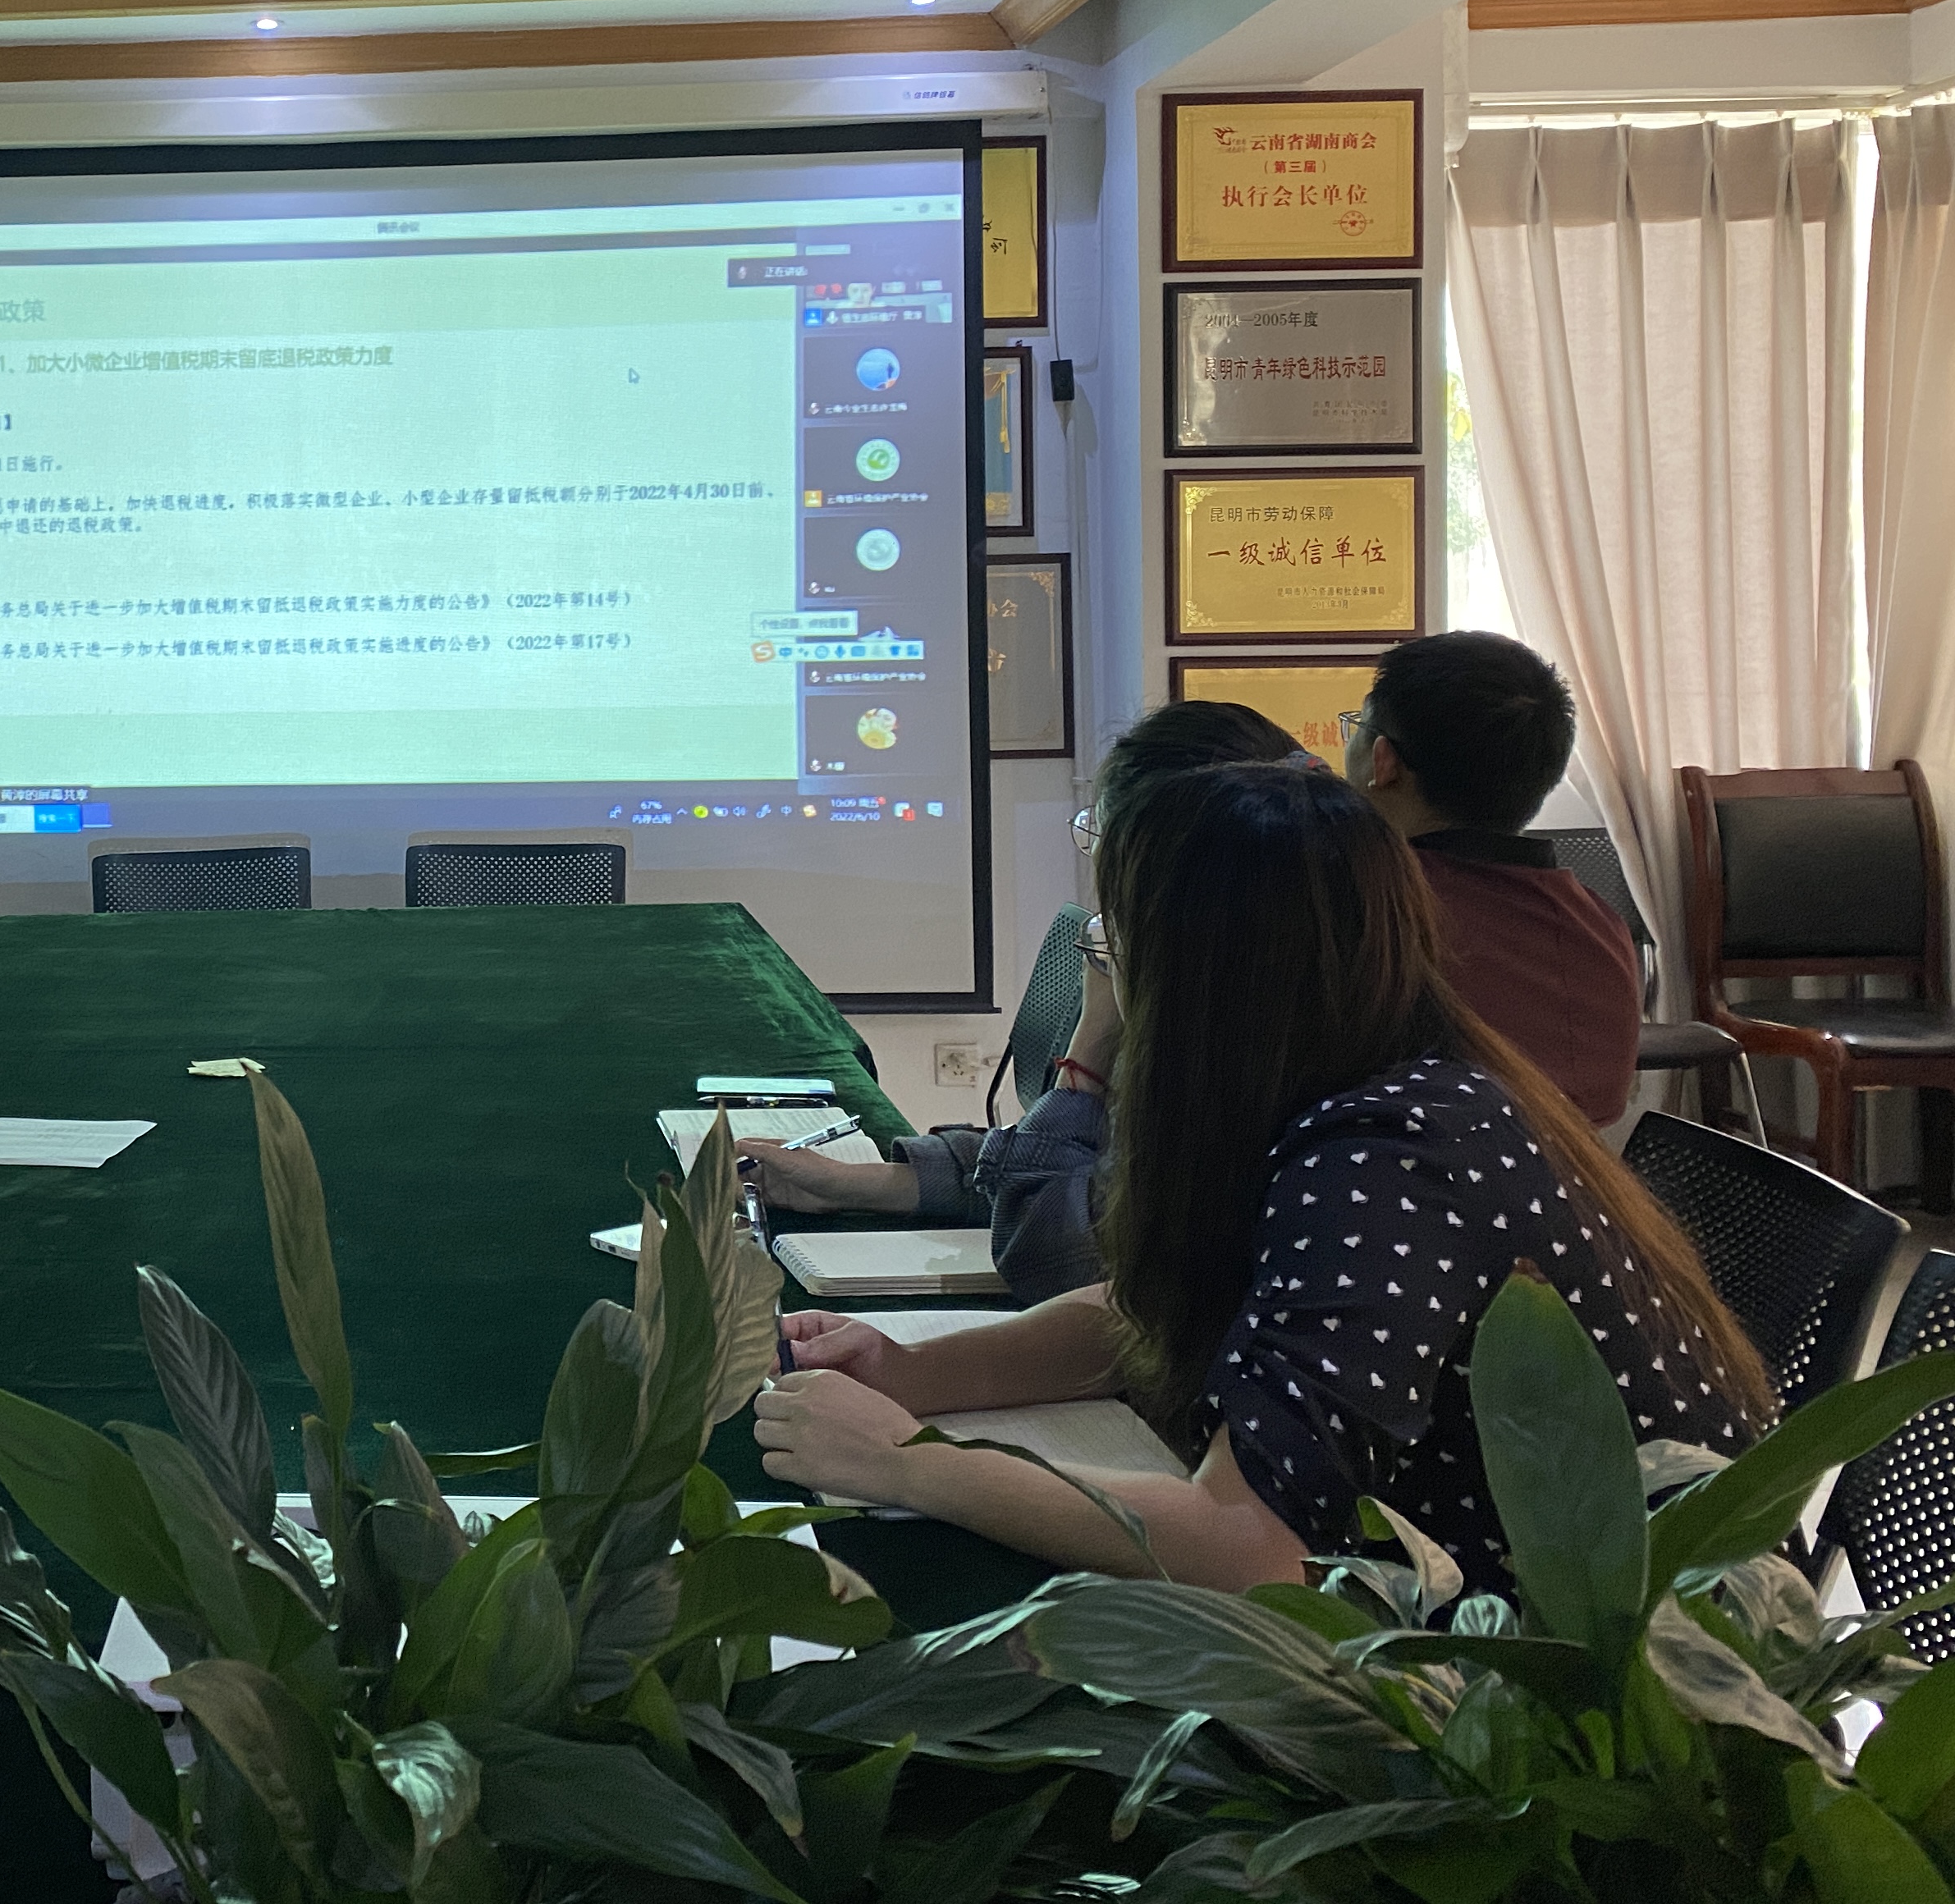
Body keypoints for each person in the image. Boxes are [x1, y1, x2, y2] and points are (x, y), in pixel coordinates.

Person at [749, 762, 1766, 1594]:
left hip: (1594, 1695)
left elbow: (1249, 1547)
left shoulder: (1388, 1157)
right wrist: (916, 1376)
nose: (1112, 978)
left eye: (1115, 944)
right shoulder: (1361, 1077)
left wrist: (912, 1466)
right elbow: (1158, 1311)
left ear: (1197, 975)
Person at [738, 700, 1303, 1300]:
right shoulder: (1254, 986)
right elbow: (1069, 1174)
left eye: (1099, 840)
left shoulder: (1240, 1045)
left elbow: (1051, 1256)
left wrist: (1089, 1050)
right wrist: (853, 1184)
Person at [1342, 631, 1642, 1129]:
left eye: (1356, 725)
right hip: (1581, 1177)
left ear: (1383, 761)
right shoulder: (1599, 924)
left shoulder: (1370, 912)